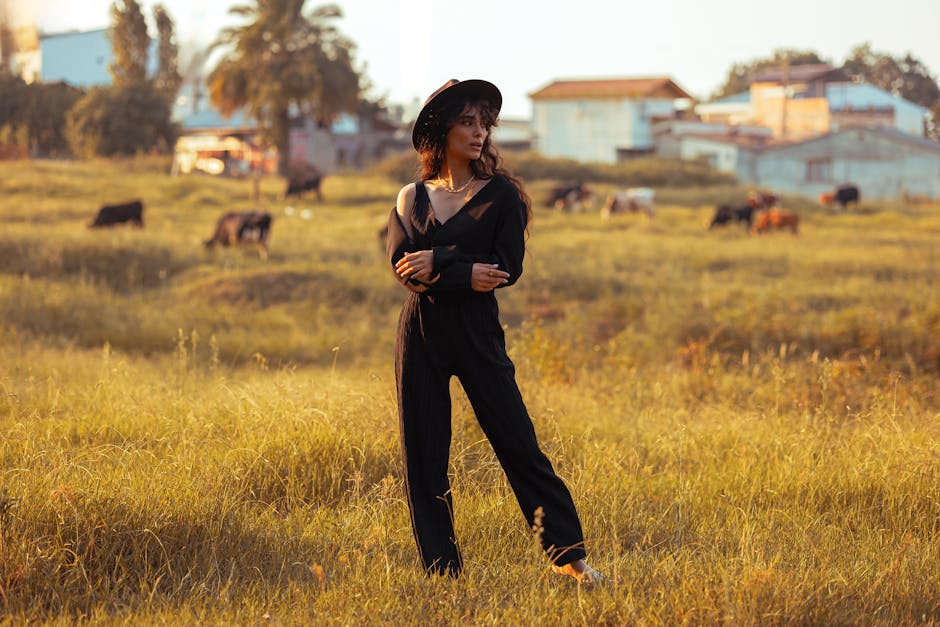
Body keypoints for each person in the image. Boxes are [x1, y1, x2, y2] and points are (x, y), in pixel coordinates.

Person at [385, 79, 604, 584]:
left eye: (484, 123)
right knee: (423, 455)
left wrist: (440, 261)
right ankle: (443, 573)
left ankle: (570, 558)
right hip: (419, 332)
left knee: (517, 442)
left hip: (477, 332)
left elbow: (505, 268)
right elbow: (403, 269)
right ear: (441, 130)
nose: (479, 132)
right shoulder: (410, 197)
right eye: (467, 122)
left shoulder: (501, 196)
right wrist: (464, 271)